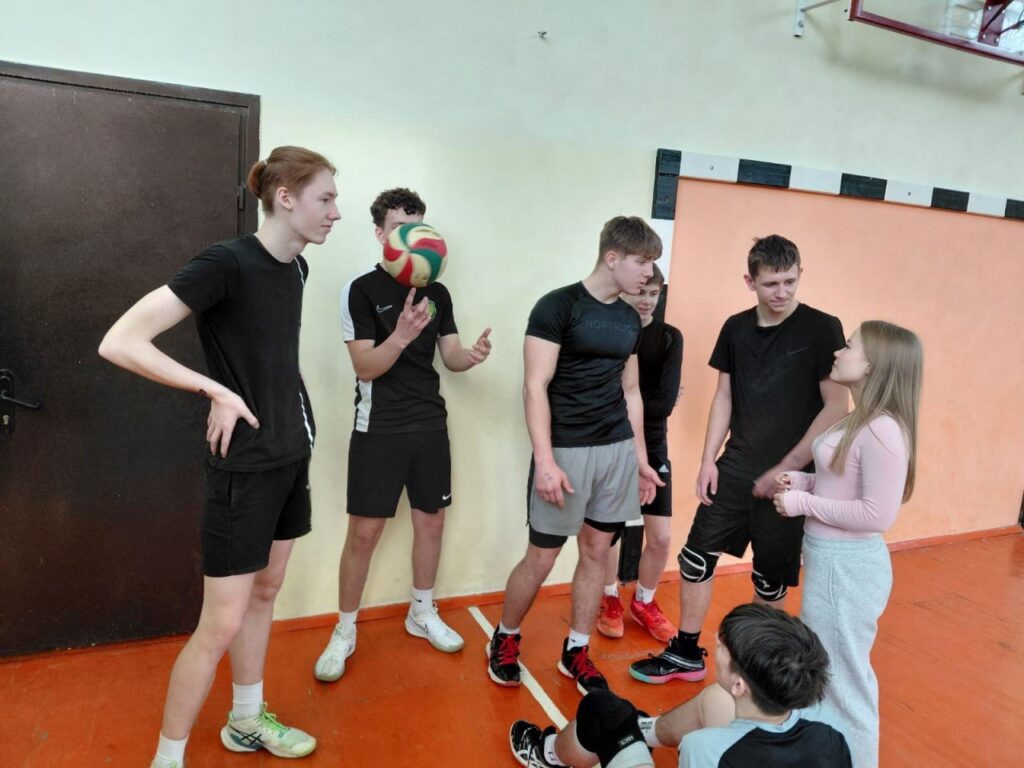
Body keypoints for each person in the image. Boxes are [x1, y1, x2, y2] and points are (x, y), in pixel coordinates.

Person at [99, 146, 340, 767]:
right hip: (244, 470)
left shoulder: (297, 268)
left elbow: (270, 356)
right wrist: (215, 390)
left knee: (267, 592)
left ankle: (246, 720)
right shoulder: (226, 263)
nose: (335, 212)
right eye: (325, 198)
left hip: (290, 456)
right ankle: (168, 758)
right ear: (285, 198)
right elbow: (121, 341)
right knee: (220, 624)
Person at [631, 235, 848, 684]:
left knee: (770, 579)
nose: (781, 292)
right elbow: (725, 396)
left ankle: (757, 668)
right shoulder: (735, 328)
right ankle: (686, 653)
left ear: (800, 275)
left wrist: (786, 466)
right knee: (695, 558)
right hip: (735, 466)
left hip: (793, 479)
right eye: (771, 283)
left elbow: (835, 407)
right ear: (750, 281)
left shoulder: (822, 328)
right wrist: (708, 459)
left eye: (789, 281)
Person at [314, 187, 492, 682]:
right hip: (380, 425)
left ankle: (421, 611)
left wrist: (470, 356)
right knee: (364, 532)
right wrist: (401, 336)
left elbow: (450, 356)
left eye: (417, 227)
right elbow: (365, 367)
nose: (410, 237)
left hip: (429, 423)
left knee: (430, 522)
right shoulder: (361, 290)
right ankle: (345, 629)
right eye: (399, 228)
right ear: (380, 233)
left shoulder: (438, 292)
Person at [488, 216, 665, 696]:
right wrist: (545, 461)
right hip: (566, 451)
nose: (649, 273)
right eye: (642, 262)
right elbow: (534, 386)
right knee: (541, 558)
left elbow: (631, 392)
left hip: (615, 450)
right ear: (613, 257)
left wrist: (641, 460)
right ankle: (505, 636)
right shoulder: (557, 307)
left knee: (596, 552)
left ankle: (577, 651)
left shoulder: (630, 318)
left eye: (652, 263)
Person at [773, 320, 922, 768]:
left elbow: (877, 515)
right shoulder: (862, 420)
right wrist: (804, 482)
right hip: (831, 564)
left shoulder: (883, 430)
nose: (838, 352)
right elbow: (843, 483)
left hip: (848, 570)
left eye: (850, 346)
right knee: (824, 674)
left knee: (846, 685)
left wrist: (802, 503)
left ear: (873, 364)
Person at [510, 604, 851, 768]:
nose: (716, 644)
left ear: (739, 684)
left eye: (723, 648)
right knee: (713, 699)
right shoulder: (834, 733)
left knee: (604, 712)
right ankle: (640, 731)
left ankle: (548, 754)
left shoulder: (704, 749)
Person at [596, 264, 683, 643]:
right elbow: (605, 396)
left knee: (661, 536)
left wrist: (632, 399)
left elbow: (664, 404)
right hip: (613, 442)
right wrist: (637, 400)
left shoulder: (669, 337)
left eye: (654, 293)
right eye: (641, 292)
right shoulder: (612, 333)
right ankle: (609, 597)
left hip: (655, 443)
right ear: (626, 290)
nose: (647, 300)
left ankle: (644, 601)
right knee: (608, 534)